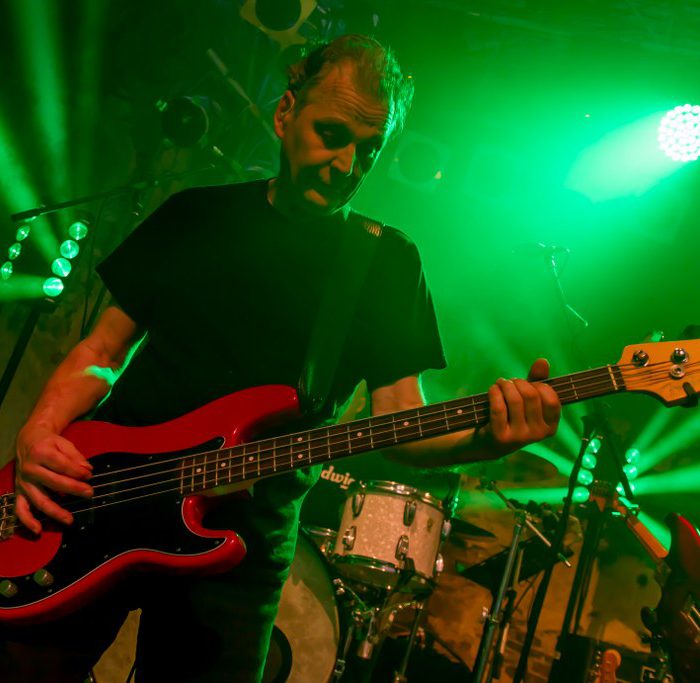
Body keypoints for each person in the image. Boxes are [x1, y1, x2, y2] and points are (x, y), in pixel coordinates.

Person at [2, 34, 560, 682]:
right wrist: (39, 431)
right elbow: (101, 350)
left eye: (368, 148)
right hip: (98, 493)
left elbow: (402, 421)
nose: (347, 163)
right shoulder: (195, 215)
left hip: (240, 546)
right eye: (332, 134)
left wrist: (488, 439)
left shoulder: (385, 262)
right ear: (285, 113)